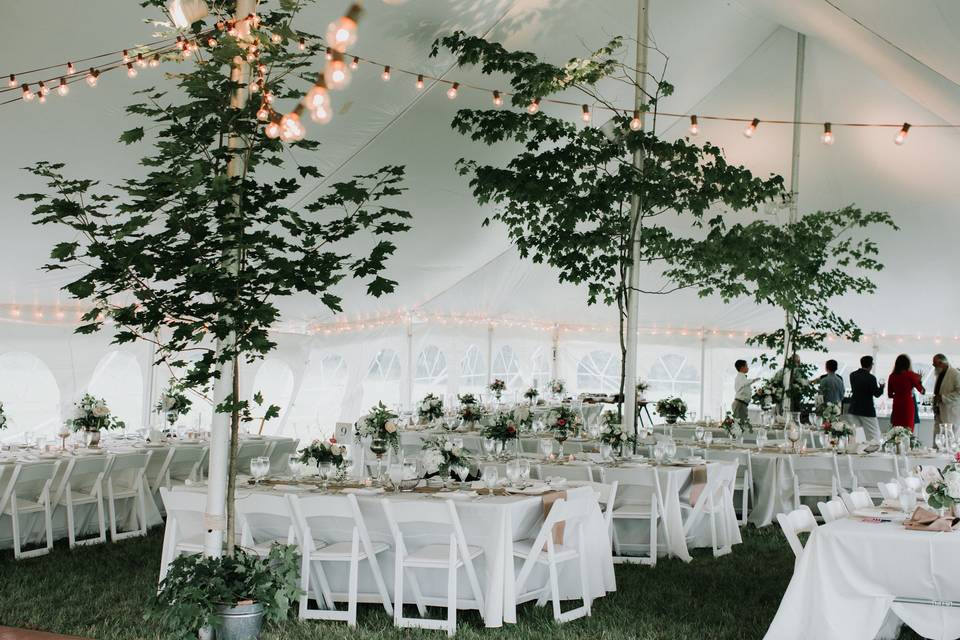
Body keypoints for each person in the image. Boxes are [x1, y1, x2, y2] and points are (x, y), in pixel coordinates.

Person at [847, 355, 884, 442]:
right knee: (874, 434)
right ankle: (873, 452)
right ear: (871, 365)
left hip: (854, 407)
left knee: (856, 435)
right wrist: (882, 387)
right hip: (867, 409)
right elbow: (877, 394)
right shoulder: (871, 378)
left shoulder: (852, 375)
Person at [887, 354, 925, 431]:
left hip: (897, 404)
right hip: (908, 404)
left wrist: (899, 395)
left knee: (897, 430)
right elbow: (922, 391)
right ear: (908, 364)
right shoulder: (911, 375)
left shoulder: (892, 376)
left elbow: (890, 395)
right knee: (908, 429)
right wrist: (919, 381)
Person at [932, 354, 960, 431]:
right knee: (938, 439)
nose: (934, 366)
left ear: (941, 363)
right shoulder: (939, 374)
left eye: (935, 364)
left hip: (950, 414)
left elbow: (959, 393)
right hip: (939, 412)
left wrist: (942, 398)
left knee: (950, 440)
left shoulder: (955, 374)